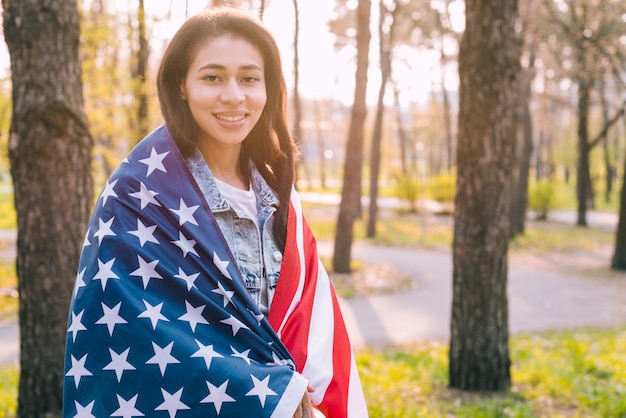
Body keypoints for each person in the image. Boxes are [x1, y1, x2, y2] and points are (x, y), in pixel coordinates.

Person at [62, 7, 368, 418]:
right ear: (181, 86)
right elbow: (137, 334)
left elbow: (305, 319)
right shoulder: (138, 194)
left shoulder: (279, 196)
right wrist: (272, 393)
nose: (233, 95)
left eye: (248, 78)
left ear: (268, 87)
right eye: (212, 77)